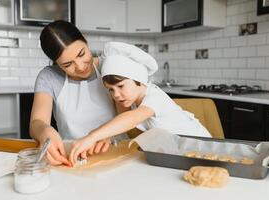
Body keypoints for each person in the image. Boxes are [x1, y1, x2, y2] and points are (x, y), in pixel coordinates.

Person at [69, 42, 211, 165]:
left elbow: (131, 119)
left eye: (121, 86)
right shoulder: (133, 99)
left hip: (201, 148)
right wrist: (105, 135)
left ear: (138, 79)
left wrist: (92, 136)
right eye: (110, 90)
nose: (116, 95)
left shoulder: (154, 97)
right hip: (178, 151)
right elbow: (122, 122)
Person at [30, 20, 117, 166]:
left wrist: (108, 135)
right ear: (56, 63)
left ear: (85, 41)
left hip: (116, 152)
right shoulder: (49, 77)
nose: (80, 66)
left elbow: (130, 117)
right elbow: (36, 123)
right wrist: (44, 130)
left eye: (81, 54)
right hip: (73, 159)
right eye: (67, 64)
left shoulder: (110, 66)